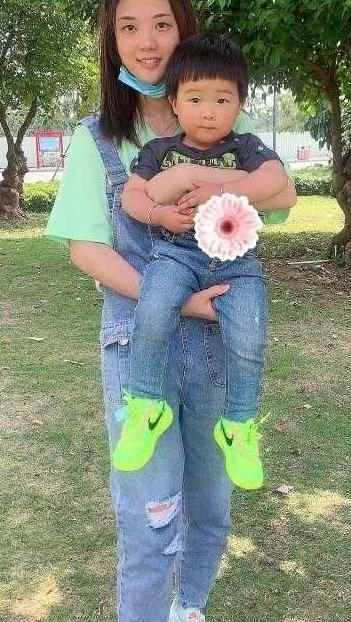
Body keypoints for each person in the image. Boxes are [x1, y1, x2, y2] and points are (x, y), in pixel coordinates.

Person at [44, 0, 296, 622]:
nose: (147, 41)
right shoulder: (100, 139)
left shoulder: (224, 126)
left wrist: (208, 175)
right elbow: (86, 249)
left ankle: (190, 615)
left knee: (211, 503)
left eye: (161, 23)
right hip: (140, 345)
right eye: (129, 27)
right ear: (112, 40)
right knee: (149, 509)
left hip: (218, 353)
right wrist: (177, 298)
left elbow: (280, 197)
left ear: (184, 30)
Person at [113, 32, 291, 491]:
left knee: (249, 334)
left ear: (240, 104)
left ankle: (238, 425)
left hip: (238, 262)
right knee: (152, 310)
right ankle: (145, 405)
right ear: (174, 102)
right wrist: (158, 214)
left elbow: (276, 179)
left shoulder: (247, 147)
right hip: (176, 254)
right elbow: (134, 195)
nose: (208, 111)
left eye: (222, 99)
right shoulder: (159, 151)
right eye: (195, 99)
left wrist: (220, 189)